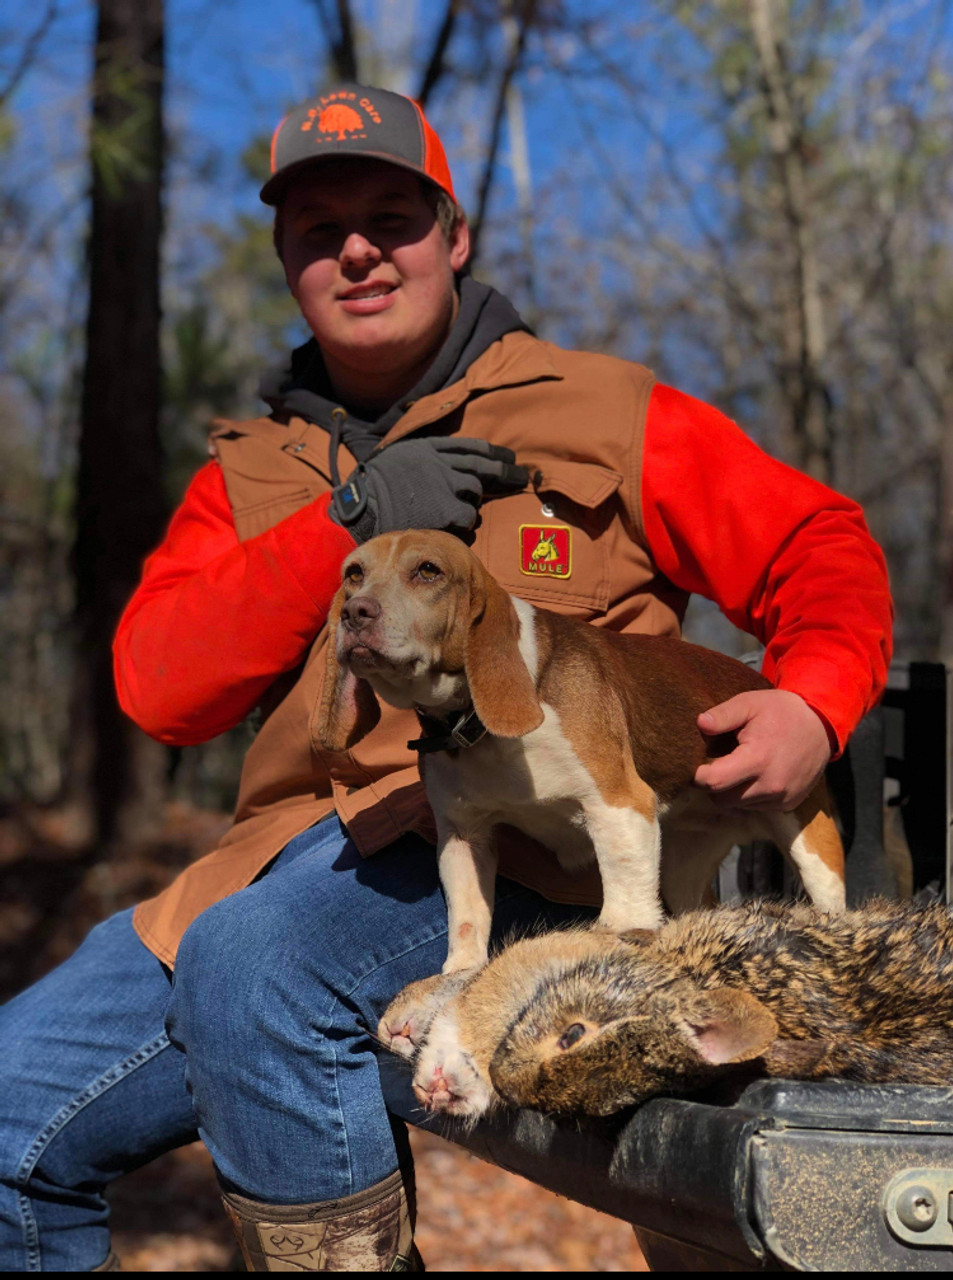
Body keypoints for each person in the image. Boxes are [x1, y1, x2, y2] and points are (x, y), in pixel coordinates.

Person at [0, 83, 892, 1272]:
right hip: (282, 864)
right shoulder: (247, 473)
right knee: (14, 1110)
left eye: (392, 217)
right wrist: (347, 519)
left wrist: (810, 698)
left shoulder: (599, 409)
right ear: (286, 261)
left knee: (259, 963)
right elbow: (161, 688)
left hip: (540, 860)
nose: (358, 249)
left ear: (454, 236)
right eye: (319, 230)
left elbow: (814, 543)